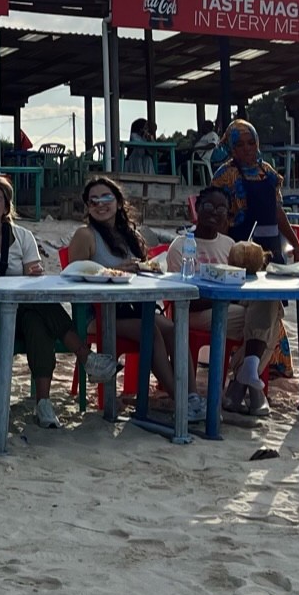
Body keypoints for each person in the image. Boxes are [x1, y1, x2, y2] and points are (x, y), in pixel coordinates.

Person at [0, 174, 88, 430]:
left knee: (34, 315)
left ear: (6, 208)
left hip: (18, 313)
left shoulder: (23, 236)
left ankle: (44, 403)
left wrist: (34, 273)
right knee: (37, 318)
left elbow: (33, 278)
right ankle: (81, 357)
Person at [65, 173, 195, 414]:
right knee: (151, 331)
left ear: (118, 201)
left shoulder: (131, 236)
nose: (100, 204)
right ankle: (181, 401)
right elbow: (75, 278)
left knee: (174, 328)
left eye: (106, 197)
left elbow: (143, 272)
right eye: (93, 200)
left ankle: (191, 396)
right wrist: (111, 271)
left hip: (131, 306)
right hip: (97, 313)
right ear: (87, 207)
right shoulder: (85, 235)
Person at [162, 186, 287, 418]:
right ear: (197, 209)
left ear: (228, 214)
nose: (214, 212)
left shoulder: (230, 244)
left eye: (221, 208)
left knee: (270, 300)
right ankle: (243, 382)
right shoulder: (180, 247)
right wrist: (223, 294)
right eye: (208, 206)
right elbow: (182, 296)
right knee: (271, 323)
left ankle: (243, 377)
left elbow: (244, 285)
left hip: (228, 306)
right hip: (193, 311)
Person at [208, 119, 299, 258]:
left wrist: (296, 245)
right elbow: (219, 220)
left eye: (251, 143)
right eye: (240, 144)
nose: (247, 148)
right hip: (240, 252)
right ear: (232, 147)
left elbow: (277, 211)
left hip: (272, 250)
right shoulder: (224, 176)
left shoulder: (267, 171)